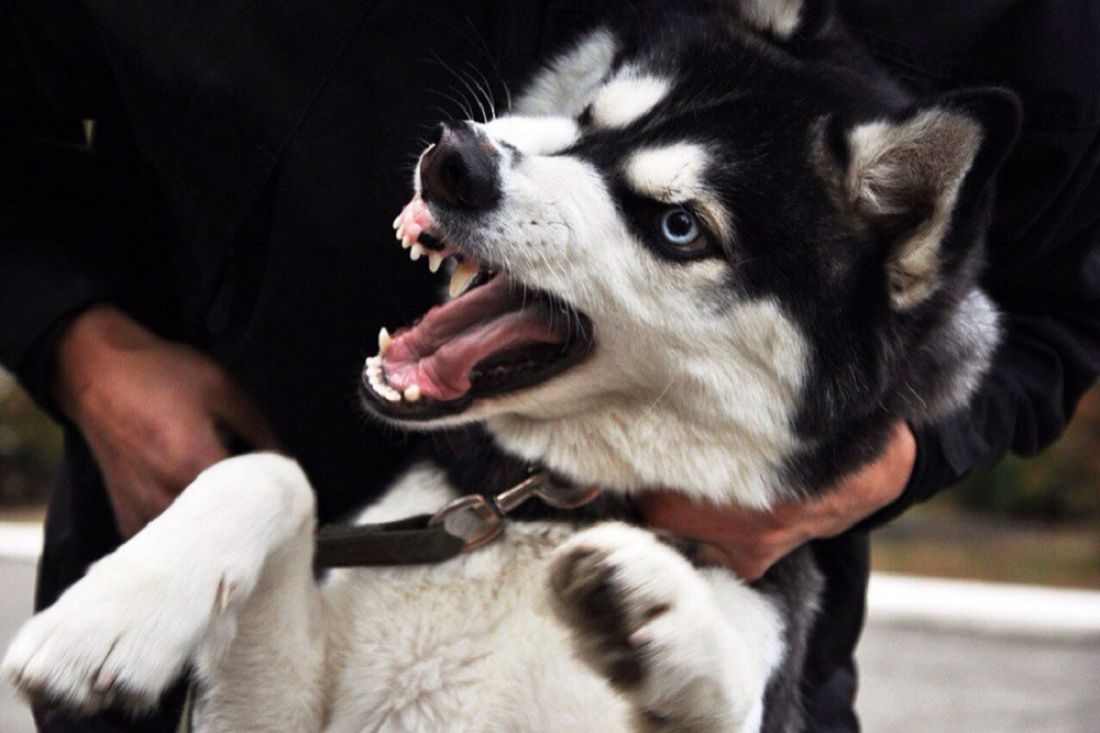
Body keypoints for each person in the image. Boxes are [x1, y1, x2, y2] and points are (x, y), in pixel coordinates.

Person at [1, 1, 1097, 732]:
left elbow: (1062, 301)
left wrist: (889, 452)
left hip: (714, 550)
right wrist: (82, 342)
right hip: (170, 566)